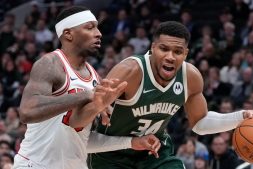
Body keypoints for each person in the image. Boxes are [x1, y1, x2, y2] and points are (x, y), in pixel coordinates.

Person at [89, 21, 253, 169]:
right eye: (164, 49)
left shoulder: (190, 77)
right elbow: (87, 120)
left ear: (186, 53)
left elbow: (200, 122)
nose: (170, 57)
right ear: (153, 47)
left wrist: (242, 117)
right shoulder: (130, 71)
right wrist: (97, 106)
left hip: (153, 151)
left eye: (177, 51)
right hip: (110, 154)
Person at [13, 6, 161, 169]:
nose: (98, 33)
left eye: (97, 27)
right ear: (68, 34)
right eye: (90, 27)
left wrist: (131, 142)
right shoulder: (50, 64)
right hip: (34, 164)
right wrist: (85, 95)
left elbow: (81, 139)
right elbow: (27, 112)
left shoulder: (95, 78)